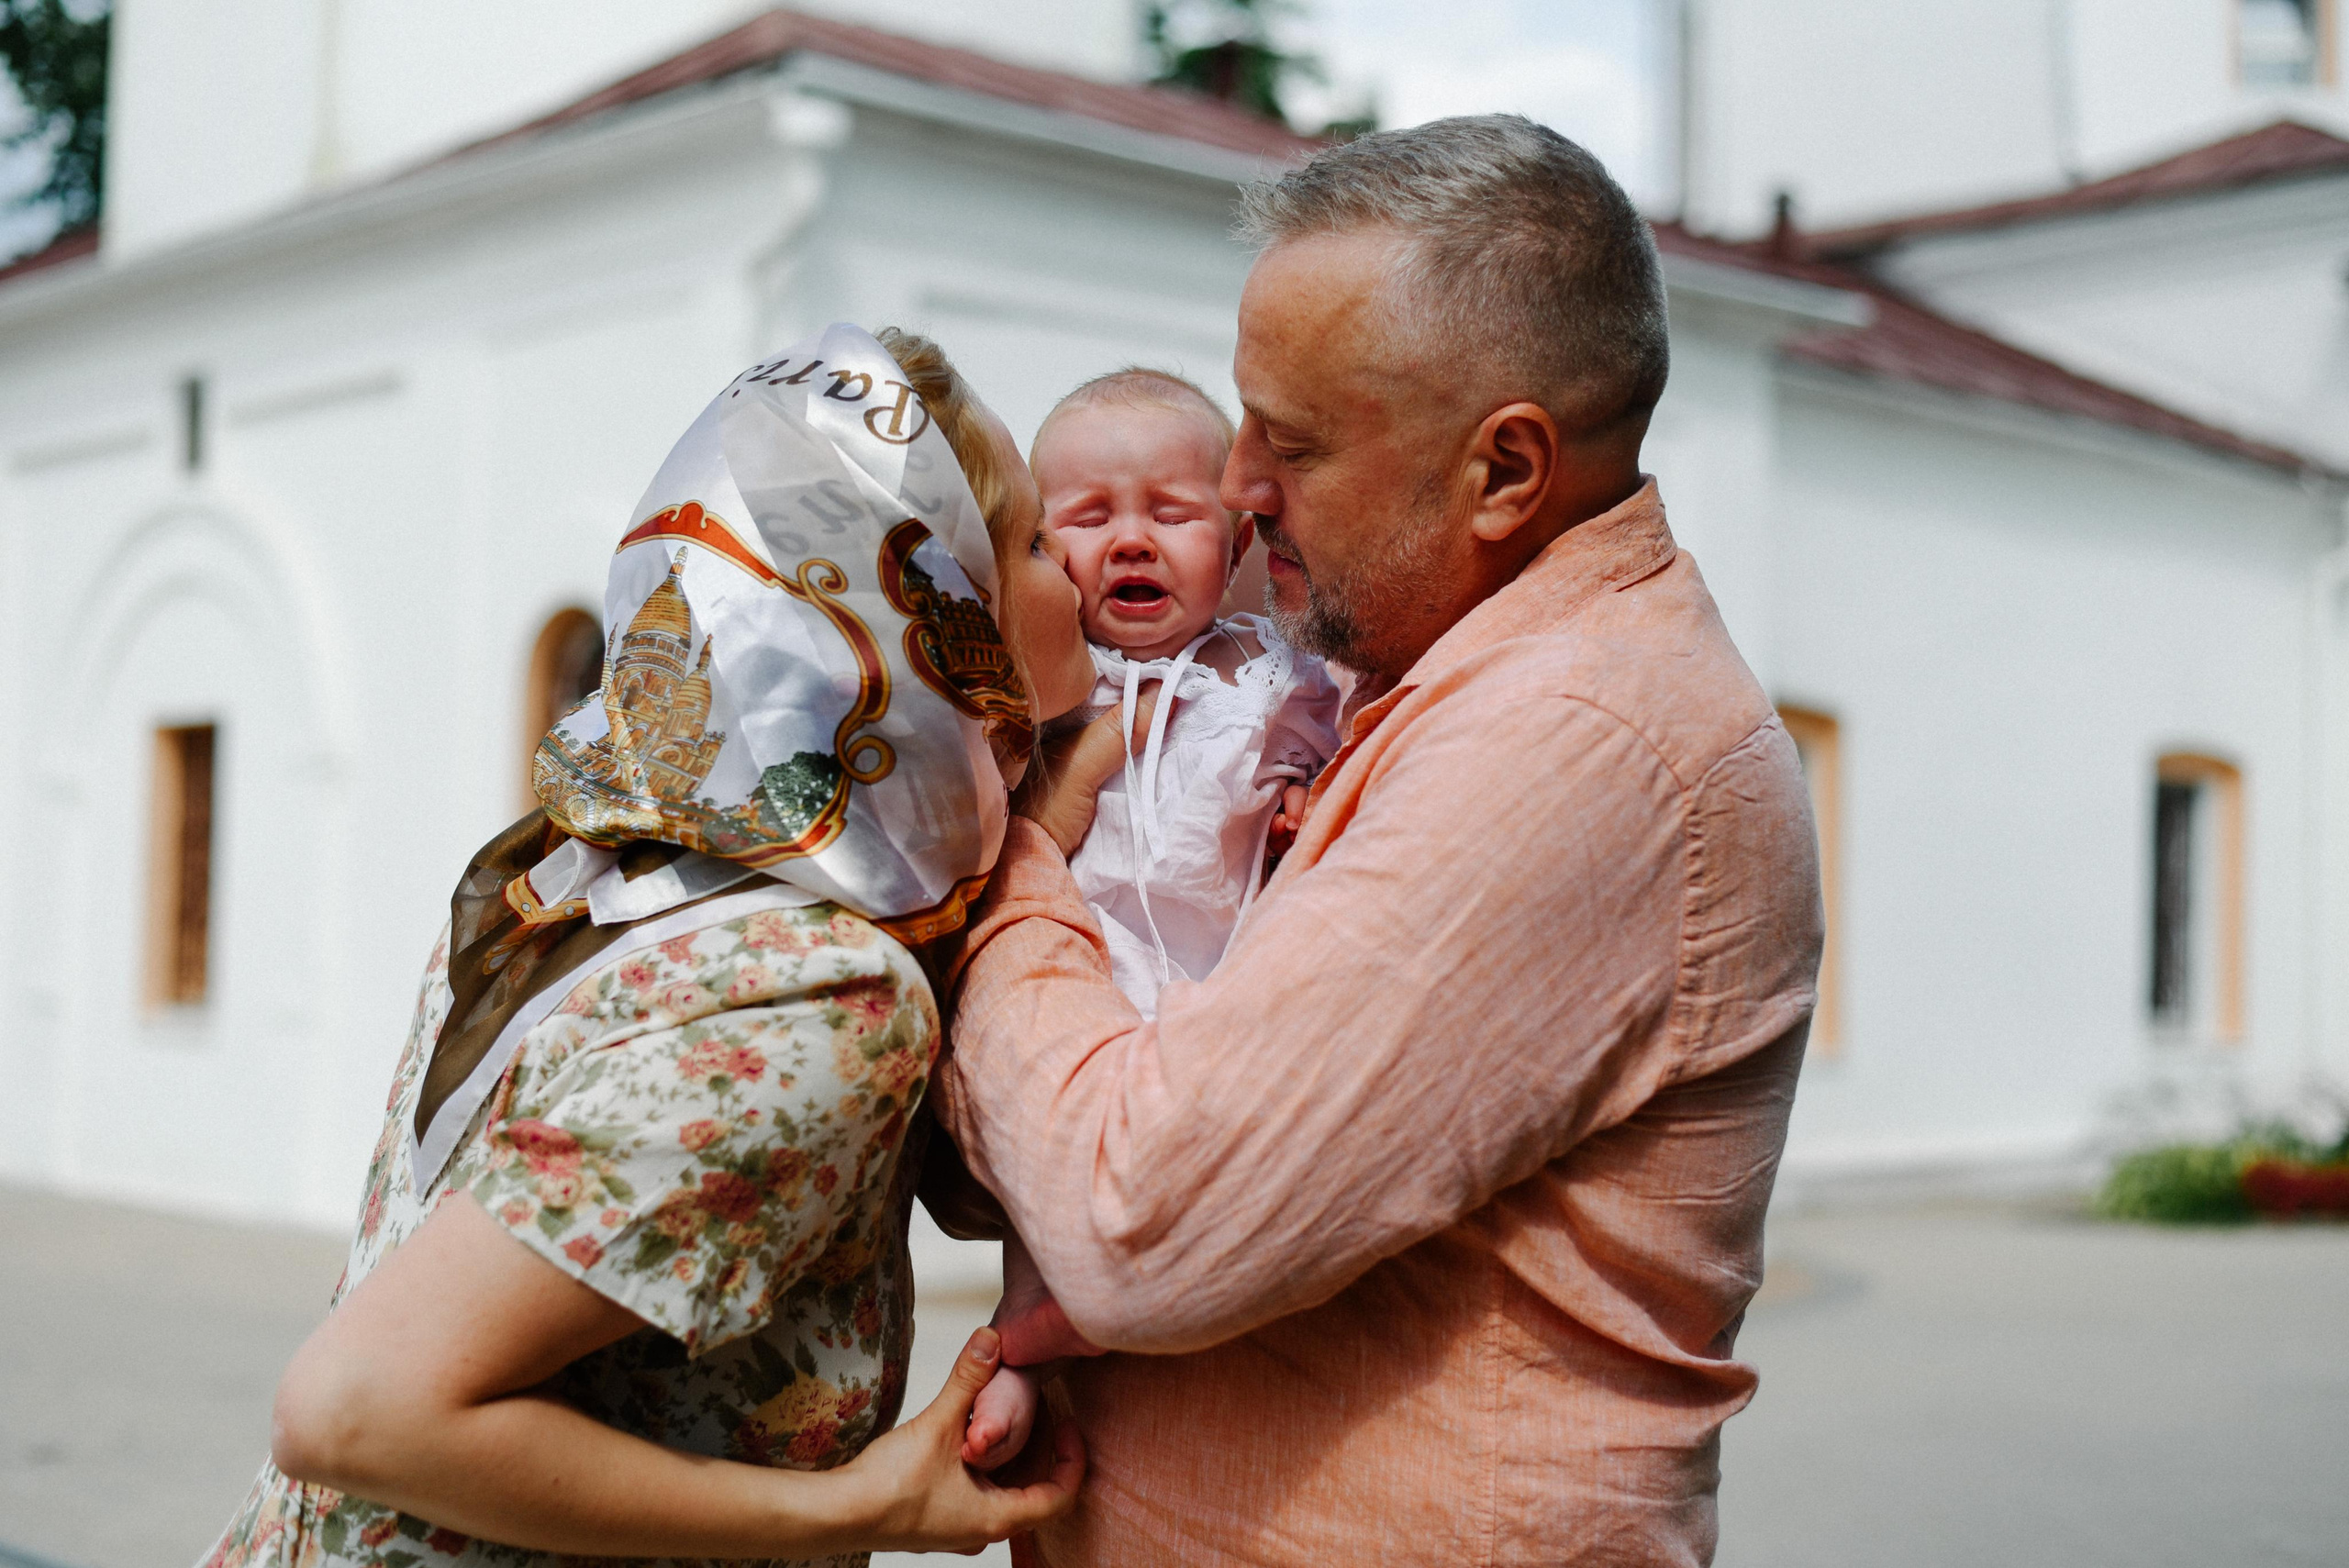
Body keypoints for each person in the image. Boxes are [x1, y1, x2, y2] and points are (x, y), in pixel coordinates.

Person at [936, 116, 1825, 1566]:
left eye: (1291, 441)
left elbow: (1131, 1213)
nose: (1235, 487)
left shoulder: (1578, 741)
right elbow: (1020, 1163)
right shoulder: (1377, 680)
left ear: (1505, 472)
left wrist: (1032, 857)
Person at [201, 323, 1092, 1568]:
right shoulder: (825, 988)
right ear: (929, 623)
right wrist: (864, 1510)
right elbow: (354, 1408)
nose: (1085, 573)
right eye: (1041, 542)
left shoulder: (584, 871)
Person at [956, 370, 1342, 1470]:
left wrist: (1309, 794)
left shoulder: (1275, 675)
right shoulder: (1043, 696)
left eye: (1170, 514)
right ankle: (1025, 1348)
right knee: (1044, 1191)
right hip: (1087, 981)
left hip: (1222, 979)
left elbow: (1337, 757)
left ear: (1234, 542)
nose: (1131, 540)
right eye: (1084, 520)